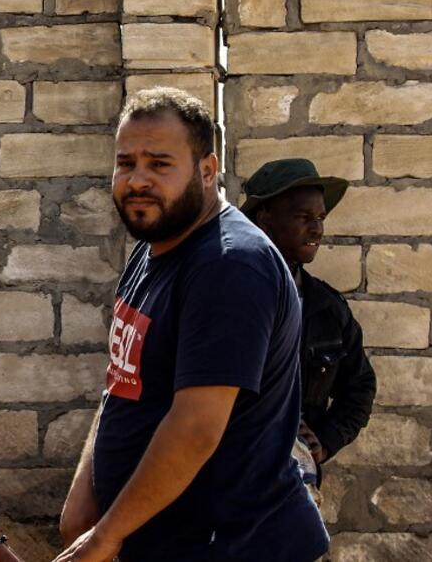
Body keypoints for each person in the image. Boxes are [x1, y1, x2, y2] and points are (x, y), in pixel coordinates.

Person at [56, 88, 329, 562]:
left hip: (235, 546)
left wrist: (105, 535)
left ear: (207, 170)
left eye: (159, 164)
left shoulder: (230, 266)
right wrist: (84, 507)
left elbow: (196, 427)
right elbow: (123, 383)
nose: (138, 180)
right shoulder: (154, 246)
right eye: (126, 163)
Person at [242, 159, 376, 474]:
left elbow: (360, 386)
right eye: (303, 217)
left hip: (295, 484)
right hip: (230, 480)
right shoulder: (230, 296)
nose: (316, 228)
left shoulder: (327, 308)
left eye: (320, 218)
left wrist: (325, 442)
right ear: (265, 219)